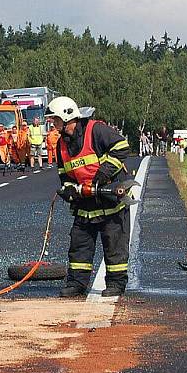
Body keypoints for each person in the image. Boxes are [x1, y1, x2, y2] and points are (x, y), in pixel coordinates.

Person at [46, 96, 131, 298]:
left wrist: (104, 172)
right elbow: (64, 175)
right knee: (79, 245)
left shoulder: (96, 130)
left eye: (55, 119)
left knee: (114, 244)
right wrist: (68, 190)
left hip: (111, 201)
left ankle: (116, 284)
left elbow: (121, 147)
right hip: (85, 204)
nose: (53, 124)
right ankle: (77, 284)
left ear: (67, 117)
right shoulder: (61, 145)